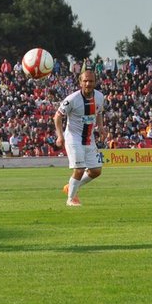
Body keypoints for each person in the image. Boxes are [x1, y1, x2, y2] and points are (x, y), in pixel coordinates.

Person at [54, 68, 106, 207]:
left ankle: (70, 186)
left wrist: (101, 127)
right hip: (74, 138)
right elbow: (57, 116)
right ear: (80, 82)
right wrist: (60, 136)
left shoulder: (99, 97)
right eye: (85, 81)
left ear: (95, 82)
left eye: (91, 81)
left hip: (89, 138)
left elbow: (99, 112)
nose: (88, 84)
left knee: (96, 171)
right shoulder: (72, 99)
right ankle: (71, 199)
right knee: (79, 169)